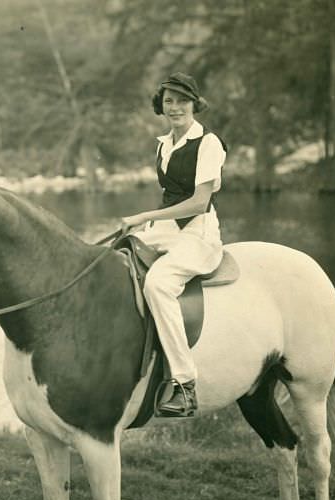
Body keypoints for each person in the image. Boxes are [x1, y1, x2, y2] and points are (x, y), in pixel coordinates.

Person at [120, 71, 227, 417]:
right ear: (161, 106)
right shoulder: (165, 142)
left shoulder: (208, 143)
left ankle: (184, 382)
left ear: (195, 104)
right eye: (169, 101)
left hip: (199, 233)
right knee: (116, 255)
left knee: (159, 284)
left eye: (182, 100)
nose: (175, 107)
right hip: (166, 229)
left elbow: (198, 202)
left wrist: (144, 214)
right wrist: (144, 223)